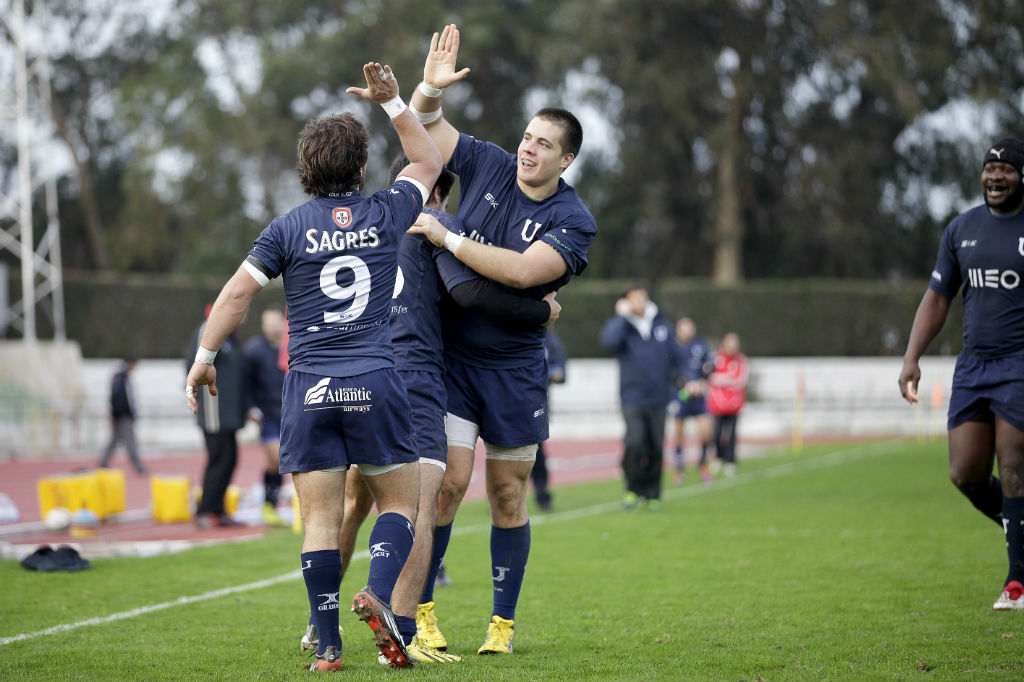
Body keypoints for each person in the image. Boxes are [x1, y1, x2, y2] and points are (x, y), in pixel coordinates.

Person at [186, 61, 445, 670]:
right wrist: (393, 102)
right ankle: (379, 596)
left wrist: (203, 358)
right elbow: (428, 163)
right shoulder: (387, 212)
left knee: (321, 520)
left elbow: (235, 296)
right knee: (401, 507)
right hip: (377, 379)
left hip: (309, 388)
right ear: (360, 169)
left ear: (305, 171)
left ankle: (328, 646)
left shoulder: (285, 229)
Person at [300, 153, 556, 659]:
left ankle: (319, 625)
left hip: (345, 375)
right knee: (414, 504)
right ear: (437, 191)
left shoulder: (354, 225)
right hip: (411, 380)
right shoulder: (435, 221)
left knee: (349, 505)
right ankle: (402, 629)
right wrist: (541, 308)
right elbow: (467, 293)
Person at [406, 23, 597, 655]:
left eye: (544, 145)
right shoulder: (487, 161)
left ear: (566, 160)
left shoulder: (574, 221)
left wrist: (449, 237)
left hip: (515, 371)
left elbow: (521, 274)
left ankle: (501, 626)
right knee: (449, 484)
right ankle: (425, 614)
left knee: (508, 495)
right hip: (456, 364)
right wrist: (429, 91)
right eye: (527, 137)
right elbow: (425, 129)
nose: (528, 150)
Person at [899, 137, 1024, 611]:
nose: (995, 177)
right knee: (966, 473)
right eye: (989, 170)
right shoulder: (961, 228)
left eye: (1006, 170)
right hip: (973, 367)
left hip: (1019, 364)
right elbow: (937, 298)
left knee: (1013, 463)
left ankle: (1017, 582)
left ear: (1021, 176)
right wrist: (912, 357)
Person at [600, 283, 679, 511]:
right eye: (633, 298)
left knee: (655, 446)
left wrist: (686, 379)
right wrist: (621, 317)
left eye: (642, 297)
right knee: (635, 443)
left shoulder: (662, 325)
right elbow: (608, 342)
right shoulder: (622, 327)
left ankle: (652, 494)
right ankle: (632, 490)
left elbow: (676, 356)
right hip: (632, 397)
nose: (638, 302)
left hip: (660, 398)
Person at [187, 305, 246, 528]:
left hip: (228, 413)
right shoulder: (208, 330)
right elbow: (195, 365)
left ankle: (217, 509)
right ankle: (205, 510)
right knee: (218, 459)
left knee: (229, 459)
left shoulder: (231, 339)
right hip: (214, 410)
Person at [243, 307, 288, 527]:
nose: (270, 326)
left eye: (274, 322)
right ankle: (269, 504)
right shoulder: (253, 350)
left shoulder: (293, 345)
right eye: (266, 322)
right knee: (277, 458)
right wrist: (250, 407)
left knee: (276, 463)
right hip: (268, 415)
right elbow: (245, 383)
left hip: (291, 413)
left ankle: (271, 504)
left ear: (283, 322)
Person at [669, 316, 714, 485]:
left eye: (690, 327)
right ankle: (679, 469)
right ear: (678, 329)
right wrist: (683, 385)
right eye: (684, 327)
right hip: (680, 395)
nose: (688, 330)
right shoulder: (672, 347)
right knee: (679, 431)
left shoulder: (701, 345)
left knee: (706, 431)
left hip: (698, 396)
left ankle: (702, 465)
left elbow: (709, 366)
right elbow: (669, 371)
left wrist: (702, 383)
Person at [533, 328, 568, 511]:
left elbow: (560, 366)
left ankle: (542, 496)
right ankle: (501, 496)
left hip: (537, 405)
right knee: (503, 452)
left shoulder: (547, 337)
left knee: (537, 452)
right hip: (507, 404)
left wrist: (555, 372)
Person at [707, 332, 748, 477]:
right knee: (717, 433)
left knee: (731, 434)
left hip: (735, 405)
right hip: (718, 405)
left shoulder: (741, 360)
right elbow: (711, 377)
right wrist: (728, 379)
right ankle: (718, 457)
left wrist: (724, 380)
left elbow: (741, 380)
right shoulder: (715, 358)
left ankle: (730, 461)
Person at [97, 357, 146, 474]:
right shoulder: (122, 378)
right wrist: (120, 413)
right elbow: (120, 399)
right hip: (123, 416)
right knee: (130, 441)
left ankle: (103, 463)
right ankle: (137, 466)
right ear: (129, 363)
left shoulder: (120, 377)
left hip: (119, 415)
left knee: (114, 440)